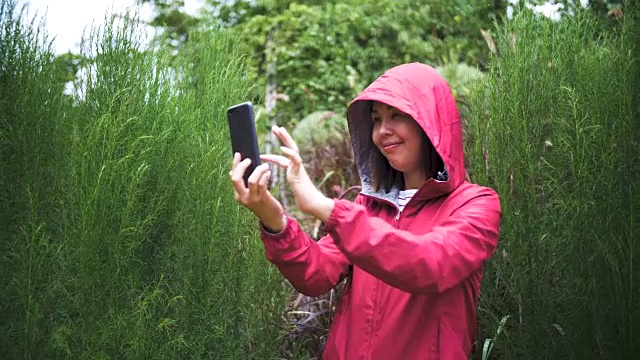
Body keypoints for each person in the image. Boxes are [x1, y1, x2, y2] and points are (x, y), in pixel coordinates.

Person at [230, 62, 501, 360]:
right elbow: (315, 275)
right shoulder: (367, 207)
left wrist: (326, 208)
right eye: (376, 119)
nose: (383, 131)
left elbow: (429, 264)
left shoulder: (476, 205)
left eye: (397, 115)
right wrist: (273, 218)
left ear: (429, 121)